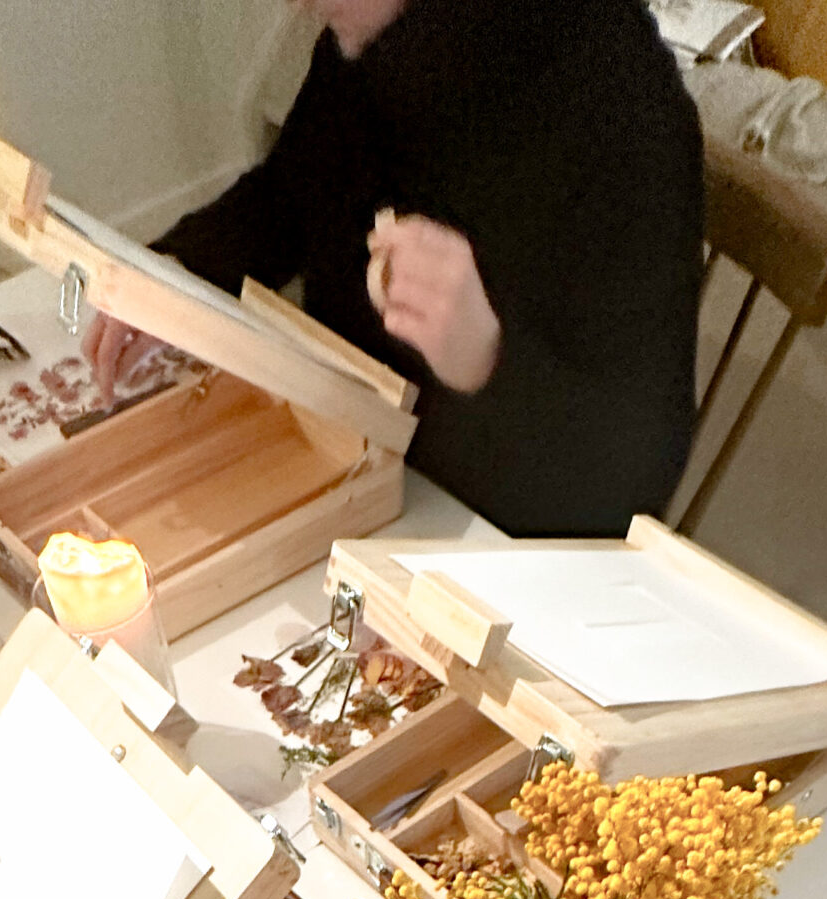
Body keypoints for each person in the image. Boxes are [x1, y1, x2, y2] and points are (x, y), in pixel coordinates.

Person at [84, 0, 705, 538]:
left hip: (490, 543)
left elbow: (634, 478)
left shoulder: (619, 100)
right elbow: (294, 193)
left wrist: (487, 360)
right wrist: (177, 270)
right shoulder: (372, 35)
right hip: (348, 470)